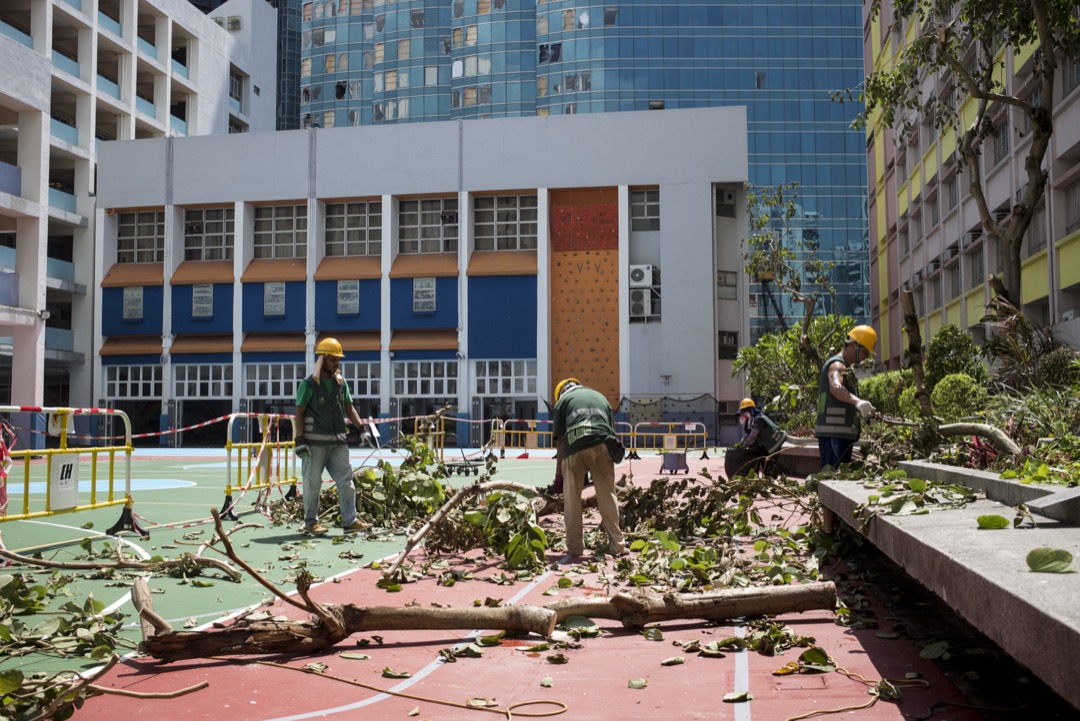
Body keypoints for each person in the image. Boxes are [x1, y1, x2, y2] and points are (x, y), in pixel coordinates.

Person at [294, 337, 369, 536]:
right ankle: (311, 522)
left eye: (338, 360)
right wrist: (299, 440)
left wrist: (362, 428)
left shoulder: (340, 383)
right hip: (314, 444)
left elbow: (349, 408)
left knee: (347, 480)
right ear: (323, 359)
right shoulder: (308, 384)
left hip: (338, 442)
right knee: (312, 483)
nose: (337, 364)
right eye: (334, 360)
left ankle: (349, 520)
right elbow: (299, 412)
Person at [551, 378, 626, 558]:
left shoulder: (562, 402)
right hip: (602, 445)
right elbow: (610, 432)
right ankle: (617, 546)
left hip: (574, 447)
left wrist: (559, 477)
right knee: (607, 495)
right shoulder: (601, 397)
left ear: (561, 392)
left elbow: (561, 443)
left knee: (572, 500)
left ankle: (575, 548)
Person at [815, 325, 878, 471]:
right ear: (853, 345)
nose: (865, 357)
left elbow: (844, 400)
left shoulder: (847, 369)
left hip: (840, 436)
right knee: (832, 479)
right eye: (864, 351)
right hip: (834, 436)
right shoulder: (837, 365)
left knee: (836, 479)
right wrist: (858, 401)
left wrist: (865, 414)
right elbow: (835, 388)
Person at [725, 403, 788, 479]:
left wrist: (744, 445)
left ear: (749, 411)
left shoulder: (759, 419)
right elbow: (748, 435)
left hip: (775, 442)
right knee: (765, 461)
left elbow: (752, 436)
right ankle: (769, 479)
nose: (743, 416)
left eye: (744, 414)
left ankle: (772, 480)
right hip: (769, 443)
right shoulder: (753, 420)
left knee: (769, 463)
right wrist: (742, 443)